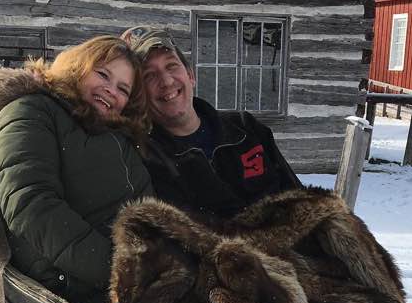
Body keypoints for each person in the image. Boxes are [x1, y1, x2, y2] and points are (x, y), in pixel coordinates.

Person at [0, 36, 153, 303]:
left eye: (123, 89)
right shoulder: (31, 110)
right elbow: (31, 205)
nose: (111, 90)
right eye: (102, 74)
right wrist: (117, 271)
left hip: (133, 280)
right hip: (77, 294)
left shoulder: (115, 135)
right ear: (76, 67)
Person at [121, 27, 302, 219]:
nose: (166, 81)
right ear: (139, 95)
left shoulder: (246, 128)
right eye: (149, 75)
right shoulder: (146, 160)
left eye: (171, 66)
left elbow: (304, 203)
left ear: (190, 75)